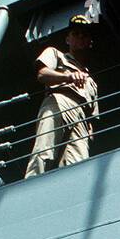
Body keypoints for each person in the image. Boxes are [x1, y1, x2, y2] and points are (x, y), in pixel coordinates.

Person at [24, 15, 100, 178]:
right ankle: (30, 188)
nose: (80, 37)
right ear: (68, 39)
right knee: (44, 152)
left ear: (90, 42)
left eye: (84, 35)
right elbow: (42, 74)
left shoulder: (91, 81)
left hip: (81, 118)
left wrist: (89, 132)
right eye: (76, 33)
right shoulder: (56, 54)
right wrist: (68, 77)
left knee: (78, 164)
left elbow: (93, 116)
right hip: (58, 101)